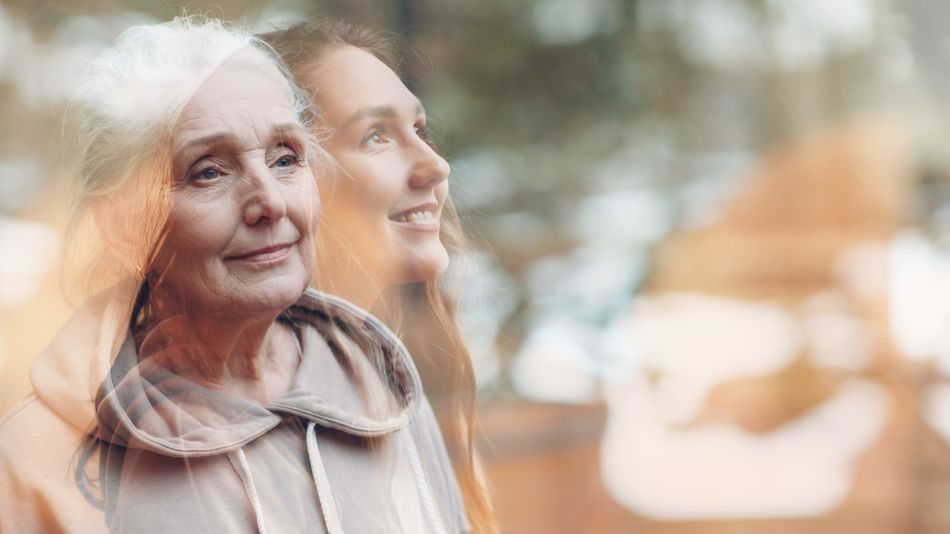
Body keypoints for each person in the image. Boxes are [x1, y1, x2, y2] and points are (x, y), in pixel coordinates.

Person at [0, 17, 469, 534]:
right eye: (209, 171)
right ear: (124, 228)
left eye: (285, 158)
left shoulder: (380, 386)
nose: (269, 200)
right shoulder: (32, 463)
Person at [260, 21, 498, 534]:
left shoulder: (401, 390)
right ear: (285, 176)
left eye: (420, 130)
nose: (435, 166)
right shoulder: (255, 434)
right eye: (376, 136)